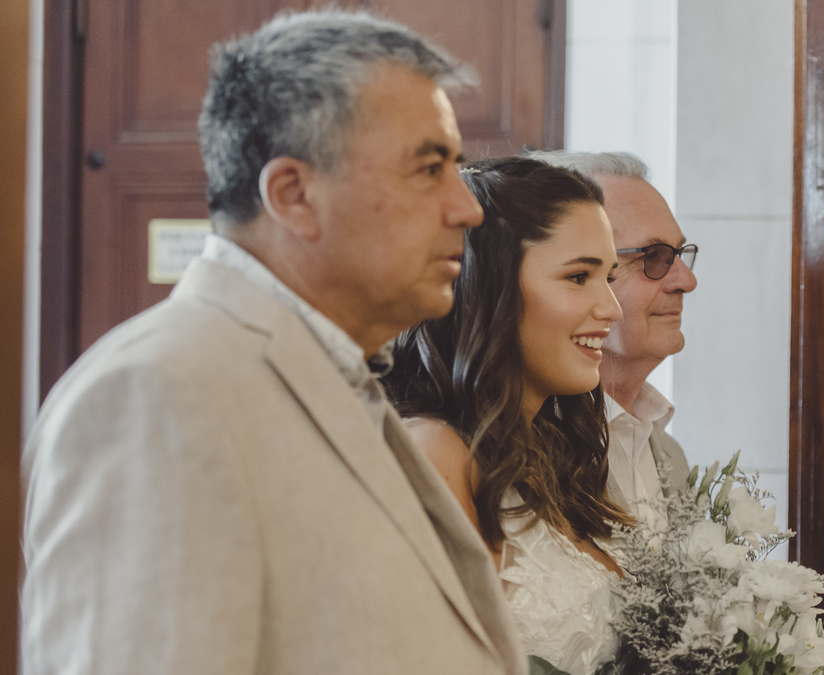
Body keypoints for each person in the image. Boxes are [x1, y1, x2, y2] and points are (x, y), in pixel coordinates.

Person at [21, 11, 526, 675]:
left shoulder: (335, 371)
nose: (468, 208)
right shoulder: (159, 393)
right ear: (293, 195)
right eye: (429, 168)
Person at [383, 157, 631, 675]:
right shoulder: (436, 451)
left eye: (609, 277)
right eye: (579, 277)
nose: (612, 308)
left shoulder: (557, 454)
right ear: (487, 288)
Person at [527, 151, 698, 528]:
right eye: (654, 257)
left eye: (679, 254)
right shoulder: (521, 452)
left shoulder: (670, 455)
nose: (687, 281)